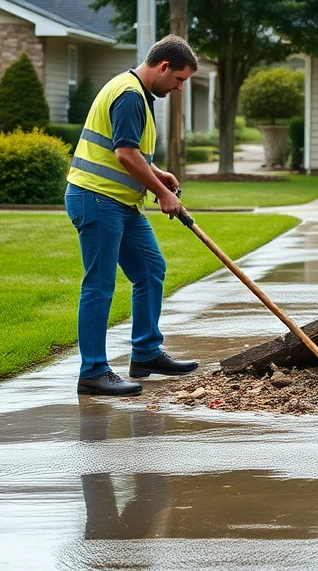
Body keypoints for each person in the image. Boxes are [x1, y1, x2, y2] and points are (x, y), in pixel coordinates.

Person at [65, 35, 201, 396]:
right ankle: (92, 372)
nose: (179, 88)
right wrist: (162, 193)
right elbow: (124, 154)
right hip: (96, 199)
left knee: (150, 270)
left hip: (121, 204)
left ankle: (145, 354)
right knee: (100, 285)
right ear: (164, 67)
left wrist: (157, 173)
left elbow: (132, 154)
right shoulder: (128, 94)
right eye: (179, 80)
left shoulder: (139, 93)